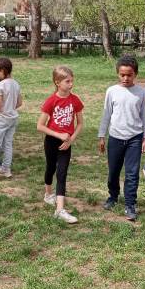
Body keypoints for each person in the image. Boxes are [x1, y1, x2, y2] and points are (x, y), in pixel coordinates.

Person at [98, 55, 145, 222]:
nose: (126, 78)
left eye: (129, 75)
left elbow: (144, 116)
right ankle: (113, 196)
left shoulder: (141, 92)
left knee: (132, 173)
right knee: (113, 171)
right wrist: (101, 135)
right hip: (115, 137)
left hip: (135, 138)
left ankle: (130, 204)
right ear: (117, 74)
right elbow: (106, 114)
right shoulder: (111, 91)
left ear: (135, 74)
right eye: (122, 75)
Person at [38, 65, 85, 224]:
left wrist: (70, 140)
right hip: (52, 141)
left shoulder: (75, 100)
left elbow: (80, 123)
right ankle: (47, 194)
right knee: (50, 168)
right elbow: (40, 126)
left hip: (66, 143)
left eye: (72, 81)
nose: (71, 84)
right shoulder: (51, 101)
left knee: (62, 173)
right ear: (57, 82)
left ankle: (59, 210)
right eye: (67, 81)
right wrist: (59, 135)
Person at [0, 57, 22, 182]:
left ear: (2, 70)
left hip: (1, 118)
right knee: (8, 144)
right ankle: (6, 169)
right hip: (13, 118)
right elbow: (19, 103)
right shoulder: (16, 84)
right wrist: (10, 107)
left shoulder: (0, 85)